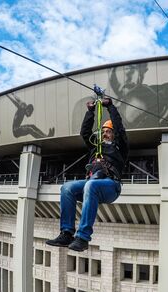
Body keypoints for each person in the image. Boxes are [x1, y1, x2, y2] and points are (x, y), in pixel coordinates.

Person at [46, 97, 128, 252]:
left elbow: (120, 127)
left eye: (109, 132)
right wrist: (90, 111)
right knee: (67, 188)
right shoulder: (95, 147)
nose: (105, 134)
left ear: (114, 134)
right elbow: (84, 132)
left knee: (91, 185)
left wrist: (110, 106)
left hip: (111, 185)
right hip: (93, 183)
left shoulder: (119, 148)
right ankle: (67, 233)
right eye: (103, 131)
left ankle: (83, 237)